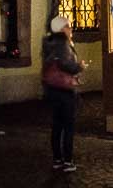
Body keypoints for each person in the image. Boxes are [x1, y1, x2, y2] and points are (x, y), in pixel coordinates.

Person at [41, 15, 84, 172]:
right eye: (68, 26)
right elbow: (67, 65)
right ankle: (68, 160)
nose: (70, 29)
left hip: (52, 90)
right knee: (68, 126)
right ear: (61, 29)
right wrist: (79, 66)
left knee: (57, 126)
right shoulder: (63, 44)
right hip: (65, 91)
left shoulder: (48, 43)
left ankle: (57, 159)